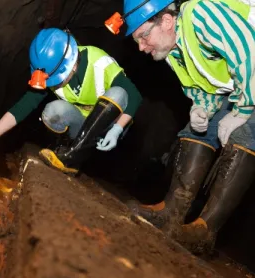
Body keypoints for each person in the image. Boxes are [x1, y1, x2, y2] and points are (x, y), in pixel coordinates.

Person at [106, 0, 255, 253]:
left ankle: (205, 230)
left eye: (143, 37)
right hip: (245, 83)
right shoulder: (174, 50)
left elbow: (247, 52)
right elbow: (203, 87)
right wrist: (202, 108)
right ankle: (172, 212)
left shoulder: (200, 13)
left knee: (246, 133)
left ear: (166, 21)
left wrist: (242, 110)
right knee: (197, 130)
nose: (142, 48)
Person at [0, 27, 143, 175]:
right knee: (52, 112)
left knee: (118, 93)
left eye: (58, 77)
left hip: (110, 125)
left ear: (73, 64)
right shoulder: (52, 70)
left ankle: (72, 157)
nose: (56, 83)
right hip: (81, 125)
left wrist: (117, 129)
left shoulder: (99, 62)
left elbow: (134, 95)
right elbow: (25, 104)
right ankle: (68, 150)